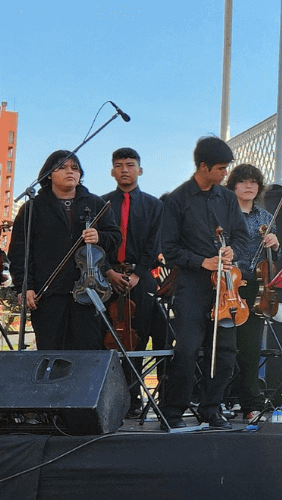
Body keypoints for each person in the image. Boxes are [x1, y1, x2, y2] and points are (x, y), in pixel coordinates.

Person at [158, 136, 250, 430]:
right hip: (192, 285)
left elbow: (241, 236)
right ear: (203, 166)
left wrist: (231, 250)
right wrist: (202, 261)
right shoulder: (177, 200)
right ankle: (172, 412)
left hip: (224, 286)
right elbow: (168, 248)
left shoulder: (226, 198)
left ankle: (212, 408)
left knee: (224, 351)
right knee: (187, 348)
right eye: (221, 169)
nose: (225, 174)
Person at [11, 150, 121, 351]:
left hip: (89, 292)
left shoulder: (96, 203)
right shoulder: (32, 207)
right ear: (49, 174)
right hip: (48, 295)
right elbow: (20, 252)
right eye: (61, 167)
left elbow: (115, 237)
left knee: (88, 356)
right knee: (50, 354)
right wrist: (24, 285)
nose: (70, 171)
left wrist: (100, 237)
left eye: (75, 168)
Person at [102, 147, 165, 417]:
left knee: (137, 339)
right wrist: (108, 272)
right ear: (112, 171)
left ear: (140, 169)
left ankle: (135, 396)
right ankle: (109, 398)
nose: (124, 169)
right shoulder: (101, 203)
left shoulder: (155, 205)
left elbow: (156, 241)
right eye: (119, 164)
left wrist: (138, 272)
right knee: (106, 339)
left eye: (130, 164)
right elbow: (98, 243)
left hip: (142, 278)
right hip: (108, 278)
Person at [226, 164, 280, 422]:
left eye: (253, 182)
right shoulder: (224, 214)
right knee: (224, 348)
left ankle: (251, 403)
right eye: (243, 181)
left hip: (256, 288)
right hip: (227, 286)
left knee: (250, 349)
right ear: (233, 185)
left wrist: (275, 244)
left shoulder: (267, 219)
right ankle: (220, 401)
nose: (248, 186)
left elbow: (273, 259)